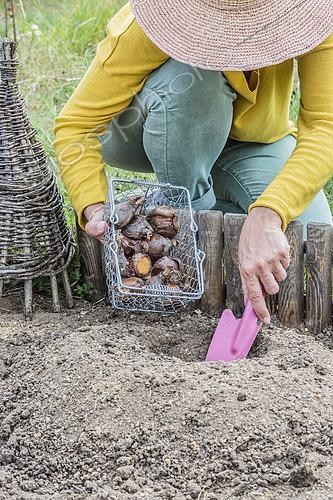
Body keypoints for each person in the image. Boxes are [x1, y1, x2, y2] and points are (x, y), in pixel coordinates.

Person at [54, 0, 333, 324]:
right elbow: (76, 126)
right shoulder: (147, 20)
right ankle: (187, 216)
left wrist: (270, 214)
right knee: (195, 82)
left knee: (310, 246)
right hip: (158, 123)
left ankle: (166, 208)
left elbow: (324, 126)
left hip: (250, 144)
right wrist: (95, 207)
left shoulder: (310, 15)